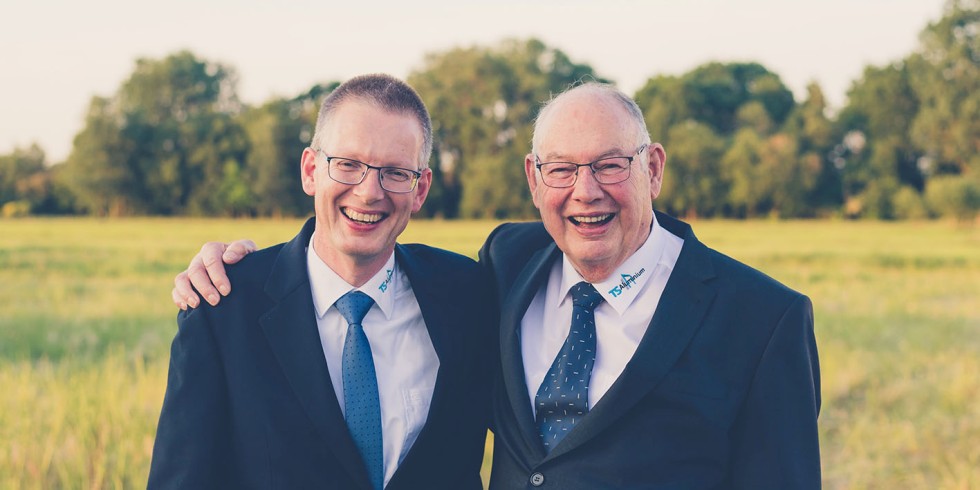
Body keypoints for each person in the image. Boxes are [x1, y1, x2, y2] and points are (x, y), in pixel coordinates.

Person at [175, 83, 821, 489]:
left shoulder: (762, 321)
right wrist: (236, 266)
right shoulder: (501, 270)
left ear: (652, 168)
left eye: (609, 165)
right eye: (561, 169)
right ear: (534, 179)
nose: (585, 191)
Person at [150, 74, 494, 490]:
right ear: (311, 170)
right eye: (348, 165)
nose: (369, 192)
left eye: (395, 172)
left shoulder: (468, 293)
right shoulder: (222, 307)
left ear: (420, 189)